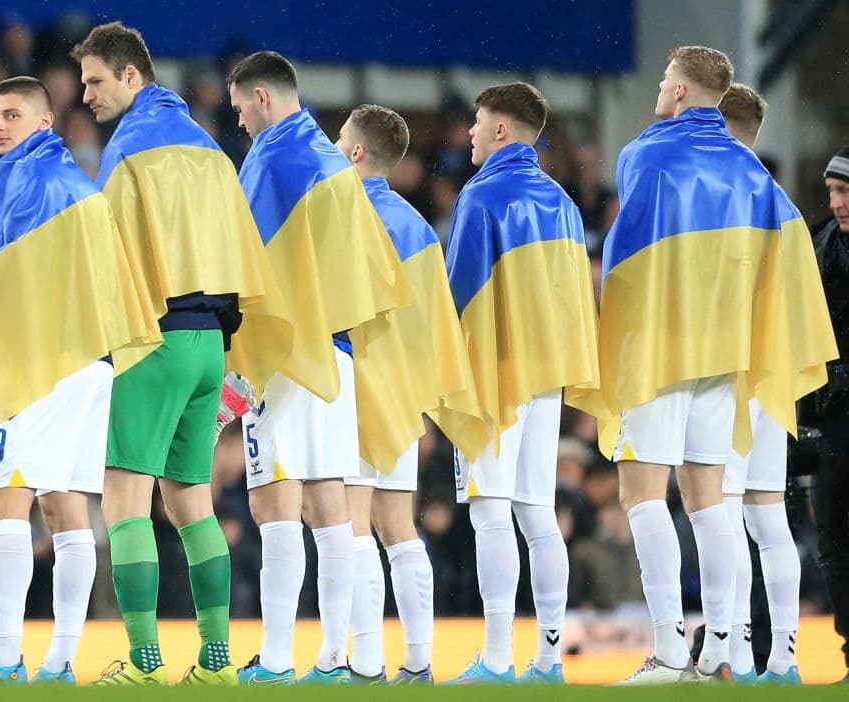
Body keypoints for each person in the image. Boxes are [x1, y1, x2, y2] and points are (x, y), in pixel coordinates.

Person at [595, 47, 836, 684]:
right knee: (713, 504)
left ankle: (671, 652)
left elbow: (629, 257)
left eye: (662, 79)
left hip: (661, 347)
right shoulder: (759, 179)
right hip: (731, 359)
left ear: (677, 90)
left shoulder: (650, 153)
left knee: (642, 495)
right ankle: (724, 649)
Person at [72, 23, 292, 686]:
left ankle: (142, 664)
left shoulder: (130, 149)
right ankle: (217, 664)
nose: (85, 95)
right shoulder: (211, 150)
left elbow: (107, 259)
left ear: (131, 76)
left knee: (124, 500)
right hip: (208, 347)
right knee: (192, 503)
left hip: (155, 339)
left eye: (95, 80)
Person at [0, 76, 158, 685]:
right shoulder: (76, 184)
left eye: (13, 115)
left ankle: (3, 657)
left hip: (43, 363)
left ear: (44, 121)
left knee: (3, 502)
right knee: (66, 506)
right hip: (90, 363)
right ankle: (60, 662)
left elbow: (21, 278)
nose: (0, 125)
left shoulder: (33, 179)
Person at [227, 51, 413, 685]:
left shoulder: (275, 158)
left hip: (286, 356)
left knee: (275, 504)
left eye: (239, 108)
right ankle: (341, 659)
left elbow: (245, 264)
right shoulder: (335, 167)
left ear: (261, 98)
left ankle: (278, 658)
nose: (240, 122)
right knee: (330, 503)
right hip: (336, 352)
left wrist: (236, 366)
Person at [440, 82, 600, 685]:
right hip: (546, 376)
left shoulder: (481, 196)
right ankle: (548, 660)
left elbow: (460, 295)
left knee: (489, 513)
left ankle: (499, 659)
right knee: (538, 513)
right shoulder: (562, 201)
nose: (473, 133)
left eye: (479, 123)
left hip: (494, 377)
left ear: (501, 129)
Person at [334, 104, 481, 684]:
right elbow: (436, 323)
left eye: (338, 139)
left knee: (350, 528)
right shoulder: (418, 227)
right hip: (400, 394)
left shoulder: (343, 219)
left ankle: (366, 663)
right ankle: (419, 663)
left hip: (350, 388)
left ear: (355, 153)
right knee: (398, 529)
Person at [717, 83, 804, 684]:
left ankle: (734, 656)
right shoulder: (784, 205)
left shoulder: (717, 195)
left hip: (724, 373)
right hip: (773, 371)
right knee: (768, 518)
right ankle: (786, 660)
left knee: (721, 514)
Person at [810, 144, 849, 685]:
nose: (838, 202)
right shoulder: (819, 248)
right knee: (835, 542)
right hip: (835, 418)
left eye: (844, 190)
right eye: (834, 193)